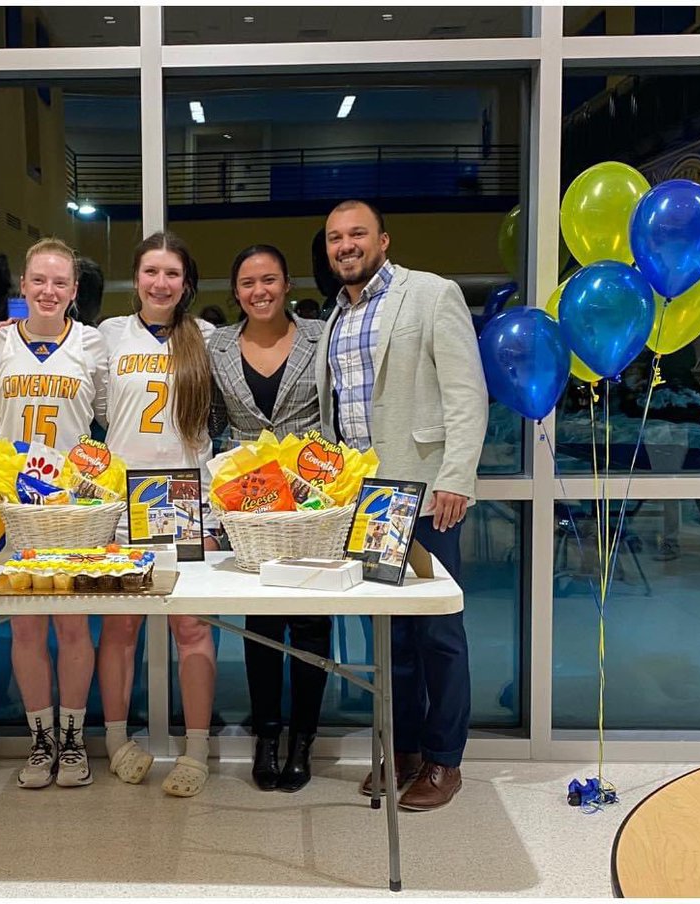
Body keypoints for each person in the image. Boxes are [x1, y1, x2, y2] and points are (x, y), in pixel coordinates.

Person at [317, 200, 488, 811]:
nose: (346, 245)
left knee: (439, 633)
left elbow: (467, 392)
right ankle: (406, 750)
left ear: (383, 240)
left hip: (424, 492)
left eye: (357, 233)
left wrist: (456, 476)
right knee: (388, 639)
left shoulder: (431, 295)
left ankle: (445, 761)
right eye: (336, 237)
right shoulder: (334, 317)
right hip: (366, 504)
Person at [97, 231, 218, 798]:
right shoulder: (107, 336)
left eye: (171, 273)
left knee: (190, 627)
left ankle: (196, 749)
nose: (160, 283)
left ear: (186, 282)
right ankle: (117, 740)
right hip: (122, 505)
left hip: (184, 503)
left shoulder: (207, 339)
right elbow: (96, 411)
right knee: (120, 626)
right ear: (135, 278)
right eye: (150, 271)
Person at [0, 237, 109, 790]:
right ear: (23, 285)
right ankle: (40, 740)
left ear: (75, 290)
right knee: (27, 627)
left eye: (60, 282)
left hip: (73, 509)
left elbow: (109, 417)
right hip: (15, 509)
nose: (49, 290)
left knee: (73, 623)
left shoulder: (91, 344)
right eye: (39, 279)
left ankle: (74, 736)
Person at [207, 244, 326, 793]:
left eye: (270, 280)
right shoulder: (218, 347)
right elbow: (208, 421)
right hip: (249, 501)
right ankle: (267, 733)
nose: (260, 291)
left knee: (309, 618)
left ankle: (304, 736)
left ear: (286, 284)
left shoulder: (320, 337)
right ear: (236, 291)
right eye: (249, 282)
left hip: (311, 497)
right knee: (261, 621)